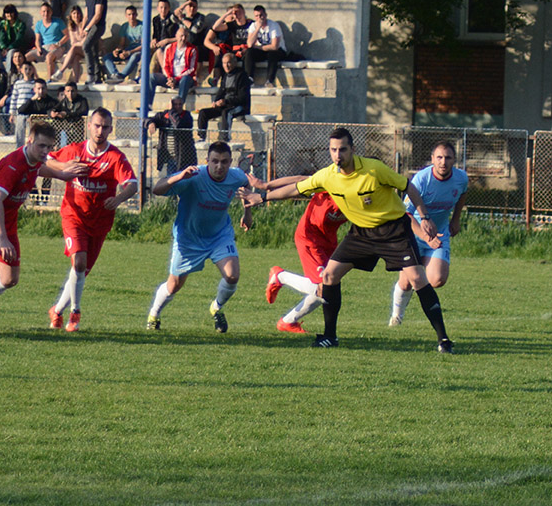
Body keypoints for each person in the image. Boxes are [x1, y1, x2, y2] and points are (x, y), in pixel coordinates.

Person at [244, 127, 454, 352]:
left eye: (342, 149)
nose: (337, 155)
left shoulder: (374, 170)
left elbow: (407, 187)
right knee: (329, 276)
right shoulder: (327, 175)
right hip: (361, 233)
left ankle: (443, 340)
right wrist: (263, 196)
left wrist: (424, 217)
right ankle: (330, 336)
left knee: (417, 279)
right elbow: (296, 188)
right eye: (333, 150)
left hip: (393, 230)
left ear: (352, 149)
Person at [0, 121, 85, 329]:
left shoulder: (32, 160)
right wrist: (2, 238)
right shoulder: (13, 164)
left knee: (9, 280)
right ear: (29, 141)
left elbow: (39, 168)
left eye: (49, 147)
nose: (45, 151)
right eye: (41, 146)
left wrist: (61, 174)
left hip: (6, 220)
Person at [45, 108, 137, 331]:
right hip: (73, 216)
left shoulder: (115, 157)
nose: (100, 130)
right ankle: (75, 312)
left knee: (81, 272)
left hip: (100, 222)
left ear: (111, 129)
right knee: (79, 263)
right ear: (89, 126)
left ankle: (57, 310)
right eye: (97, 125)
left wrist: (119, 198)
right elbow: (47, 160)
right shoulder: (74, 151)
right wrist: (65, 167)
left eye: (105, 127)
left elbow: (132, 184)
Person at [146, 141, 251, 333]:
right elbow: (157, 189)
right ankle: (154, 314)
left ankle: (216, 308)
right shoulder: (193, 176)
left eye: (225, 162)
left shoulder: (236, 175)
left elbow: (245, 186)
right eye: (215, 161)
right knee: (174, 285)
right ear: (207, 161)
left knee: (232, 275)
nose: (220, 166)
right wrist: (179, 177)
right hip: (189, 238)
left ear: (230, 162)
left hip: (220, 235)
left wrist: (248, 213)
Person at [252, 174, 346, 334]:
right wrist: (267, 185)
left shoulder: (363, 198)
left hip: (329, 241)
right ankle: (280, 276)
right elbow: (299, 180)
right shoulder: (332, 182)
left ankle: (287, 322)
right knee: (324, 288)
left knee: (326, 287)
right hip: (309, 238)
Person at [389, 141, 468, 326]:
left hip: (439, 234)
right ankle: (396, 317)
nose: (443, 162)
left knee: (437, 279)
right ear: (432, 159)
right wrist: (425, 237)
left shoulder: (461, 178)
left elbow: (463, 193)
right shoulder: (421, 180)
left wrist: (455, 219)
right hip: (413, 234)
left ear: (454, 160)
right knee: (407, 282)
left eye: (448, 158)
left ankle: (414, 278)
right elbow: (405, 213)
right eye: (439, 157)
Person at [196, 52, 251, 142]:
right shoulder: (225, 76)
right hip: (225, 104)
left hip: (239, 106)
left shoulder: (242, 76)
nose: (226, 66)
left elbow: (243, 97)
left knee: (227, 113)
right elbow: (221, 91)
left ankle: (225, 138)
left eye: (228, 63)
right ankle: (201, 137)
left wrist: (226, 101)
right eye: (224, 63)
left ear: (234, 63)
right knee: (203, 113)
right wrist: (216, 101)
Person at [145, 97, 197, 176]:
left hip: (184, 158)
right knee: (170, 182)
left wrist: (171, 111)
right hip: (170, 158)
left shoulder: (186, 116)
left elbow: (177, 124)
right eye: (175, 104)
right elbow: (147, 120)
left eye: (180, 104)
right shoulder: (164, 115)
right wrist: (150, 123)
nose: (178, 106)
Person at [148, 27, 197, 104]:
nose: (183, 38)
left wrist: (176, 79)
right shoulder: (169, 47)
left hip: (183, 79)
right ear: (176, 36)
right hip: (170, 78)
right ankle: (148, 105)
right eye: (181, 36)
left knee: (186, 79)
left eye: (185, 36)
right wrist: (170, 78)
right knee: (152, 77)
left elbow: (191, 69)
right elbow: (165, 65)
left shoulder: (192, 49)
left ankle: (179, 106)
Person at [205, 4, 252, 84]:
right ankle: (216, 78)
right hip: (224, 49)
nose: (234, 17)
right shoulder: (227, 25)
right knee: (221, 53)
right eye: (232, 14)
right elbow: (209, 36)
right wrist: (214, 47)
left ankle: (246, 78)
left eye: (237, 13)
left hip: (238, 49)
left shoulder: (247, 23)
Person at [244, 5, 287, 88]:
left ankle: (269, 81)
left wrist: (257, 47)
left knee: (272, 53)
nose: (259, 18)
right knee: (249, 52)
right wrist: (258, 28)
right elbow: (249, 44)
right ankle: (249, 79)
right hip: (264, 50)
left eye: (261, 15)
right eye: (257, 16)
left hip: (278, 51)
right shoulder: (253, 26)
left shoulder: (274, 26)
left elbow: (274, 46)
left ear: (266, 15)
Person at [102, 5, 144, 83]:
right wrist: (118, 50)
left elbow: (144, 45)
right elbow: (122, 43)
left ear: (136, 15)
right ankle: (115, 74)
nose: (131, 17)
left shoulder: (142, 26)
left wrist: (129, 52)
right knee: (106, 57)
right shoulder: (125, 26)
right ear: (126, 16)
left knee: (135, 56)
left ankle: (121, 76)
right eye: (129, 14)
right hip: (128, 50)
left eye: (133, 14)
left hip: (138, 51)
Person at [27, 2, 68, 77]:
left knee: (49, 57)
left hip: (57, 47)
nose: (46, 13)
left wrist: (58, 44)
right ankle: (34, 77)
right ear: (40, 12)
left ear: (51, 12)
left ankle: (49, 79)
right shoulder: (39, 24)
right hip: (44, 47)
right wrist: (39, 49)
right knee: (26, 57)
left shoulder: (58, 22)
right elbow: (37, 40)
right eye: (44, 11)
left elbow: (67, 35)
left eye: (48, 11)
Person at [82, 0, 108, 84]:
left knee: (86, 46)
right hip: (90, 27)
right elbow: (87, 15)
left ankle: (91, 73)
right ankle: (98, 76)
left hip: (98, 26)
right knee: (93, 50)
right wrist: (82, 28)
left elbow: (97, 15)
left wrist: (87, 28)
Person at [52, 5, 87, 83]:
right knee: (76, 58)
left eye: (78, 13)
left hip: (86, 49)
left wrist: (76, 45)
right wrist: (76, 44)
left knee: (74, 48)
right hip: (78, 51)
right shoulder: (71, 27)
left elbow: (84, 42)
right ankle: (76, 81)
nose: (76, 15)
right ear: (71, 15)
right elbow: (73, 42)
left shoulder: (85, 25)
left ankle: (61, 71)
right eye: (74, 13)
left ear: (81, 14)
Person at [0, 4, 28, 70]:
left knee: (11, 53)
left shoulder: (20, 24)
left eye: (11, 12)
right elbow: (1, 38)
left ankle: (9, 73)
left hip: (17, 47)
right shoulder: (3, 24)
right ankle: (1, 74)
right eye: (7, 13)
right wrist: (3, 48)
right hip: (5, 48)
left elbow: (19, 39)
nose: (9, 15)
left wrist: (8, 49)